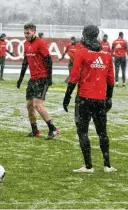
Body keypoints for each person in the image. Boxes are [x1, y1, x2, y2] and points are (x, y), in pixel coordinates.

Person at [63, 25, 116, 173]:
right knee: (102, 132)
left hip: (84, 99)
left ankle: (88, 166)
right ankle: (107, 165)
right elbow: (111, 79)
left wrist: (67, 97)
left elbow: (74, 77)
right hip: (100, 100)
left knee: (83, 132)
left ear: (85, 35)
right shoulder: (106, 55)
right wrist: (109, 97)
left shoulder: (82, 53)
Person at [17, 23, 60, 140]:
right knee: (29, 105)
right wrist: (20, 78)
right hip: (33, 79)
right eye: (24, 33)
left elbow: (49, 60)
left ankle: (53, 129)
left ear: (34, 32)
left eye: (28, 33)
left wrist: (49, 78)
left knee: (37, 105)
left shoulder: (40, 43)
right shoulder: (26, 44)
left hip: (42, 78)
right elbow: (25, 62)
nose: (26, 35)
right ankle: (35, 130)